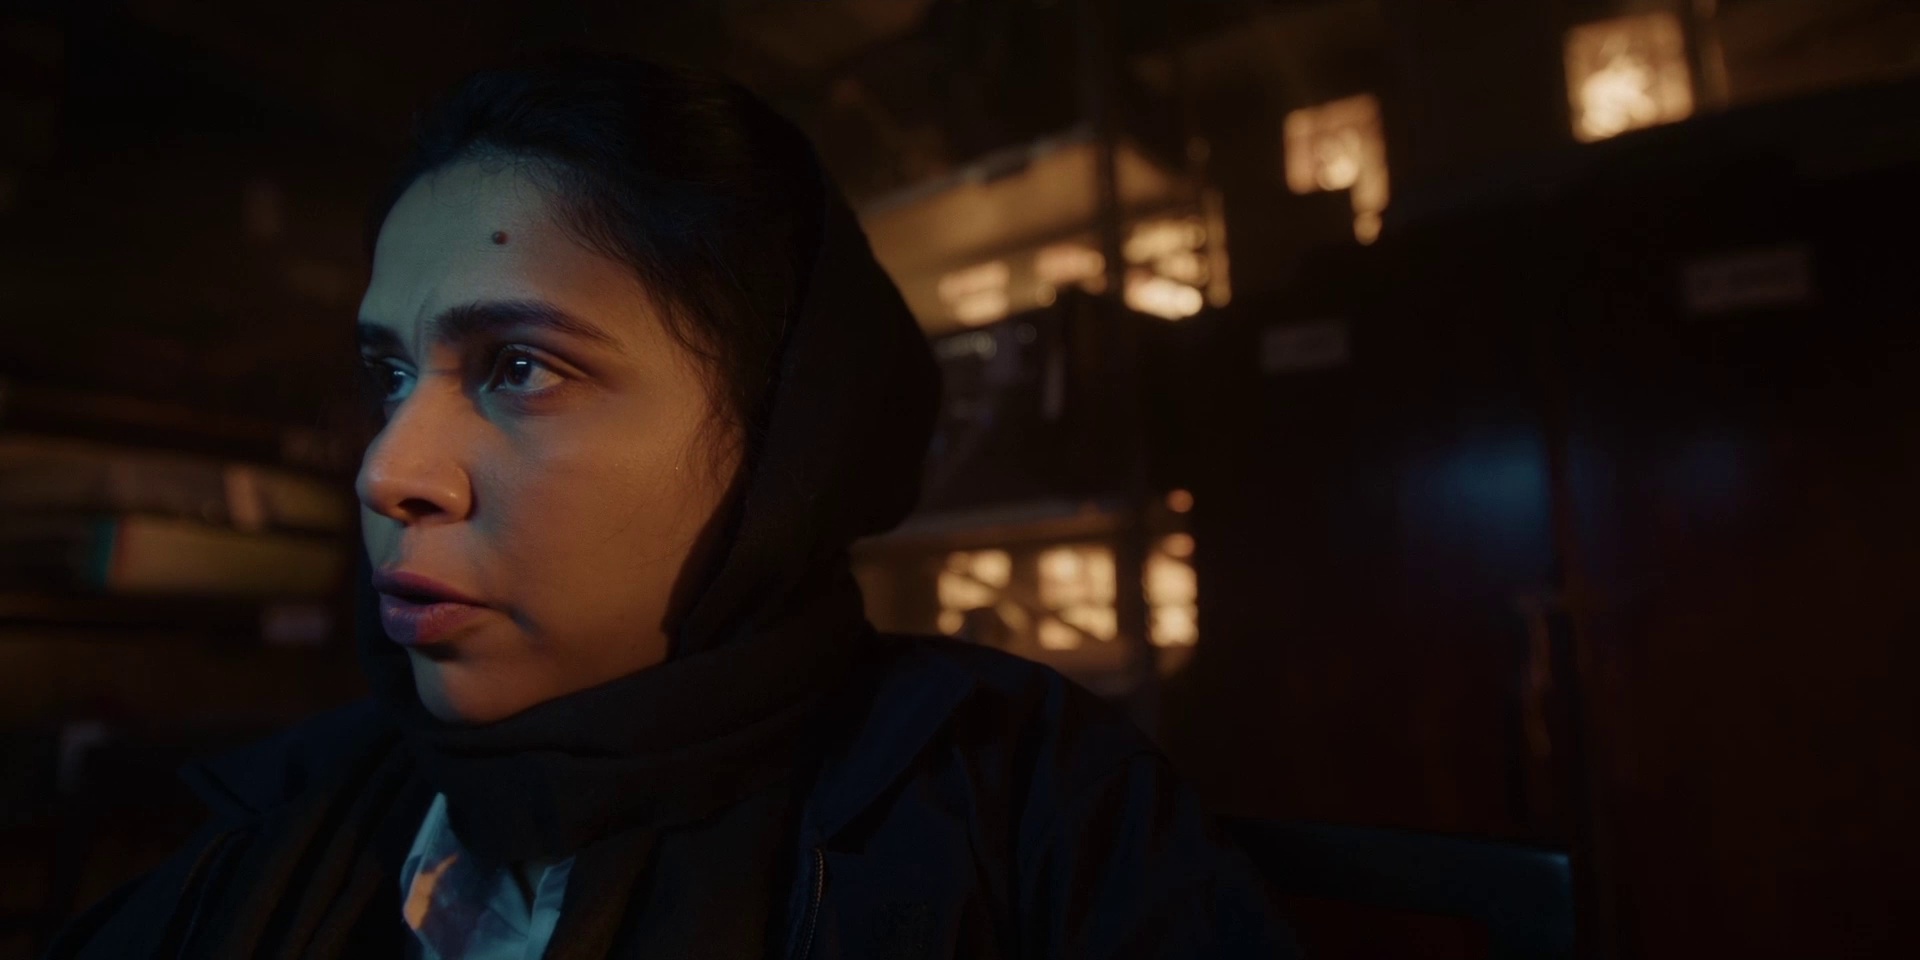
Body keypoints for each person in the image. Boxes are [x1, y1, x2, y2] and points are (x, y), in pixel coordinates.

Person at [47, 54, 1296, 959]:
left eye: (520, 367)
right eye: (389, 376)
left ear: (782, 440)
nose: (387, 471)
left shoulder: (1021, 809)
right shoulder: (280, 831)